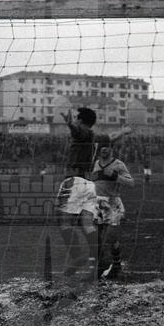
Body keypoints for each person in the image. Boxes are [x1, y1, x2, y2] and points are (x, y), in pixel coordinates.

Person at [55, 108, 131, 279]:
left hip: (74, 181)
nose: (75, 120)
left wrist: (69, 124)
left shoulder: (84, 133)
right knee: (86, 224)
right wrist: (123, 132)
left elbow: (78, 132)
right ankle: (100, 259)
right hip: (87, 183)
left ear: (81, 121)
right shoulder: (95, 138)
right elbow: (110, 137)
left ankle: (79, 256)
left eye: (77, 118)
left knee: (63, 221)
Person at [91, 135, 134, 279]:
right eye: (101, 147)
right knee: (95, 238)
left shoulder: (118, 164)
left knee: (110, 237)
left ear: (111, 148)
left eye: (106, 147)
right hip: (97, 204)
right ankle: (100, 265)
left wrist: (116, 176)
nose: (104, 150)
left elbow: (131, 183)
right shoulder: (94, 164)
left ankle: (116, 263)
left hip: (113, 203)